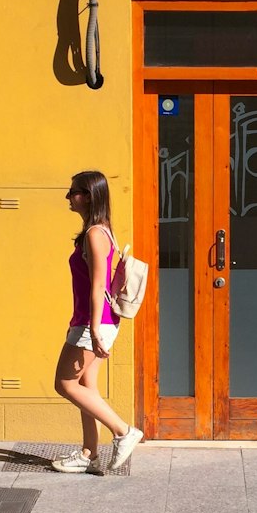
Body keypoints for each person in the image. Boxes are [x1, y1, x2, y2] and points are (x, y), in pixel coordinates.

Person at [51, 170, 143, 472]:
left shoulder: (95, 234)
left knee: (65, 384)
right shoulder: (100, 231)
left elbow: (96, 285)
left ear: (89, 196)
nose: (68, 197)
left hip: (95, 322)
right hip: (97, 321)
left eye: (73, 191)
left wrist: (91, 328)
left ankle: (123, 431)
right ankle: (89, 453)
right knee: (87, 385)